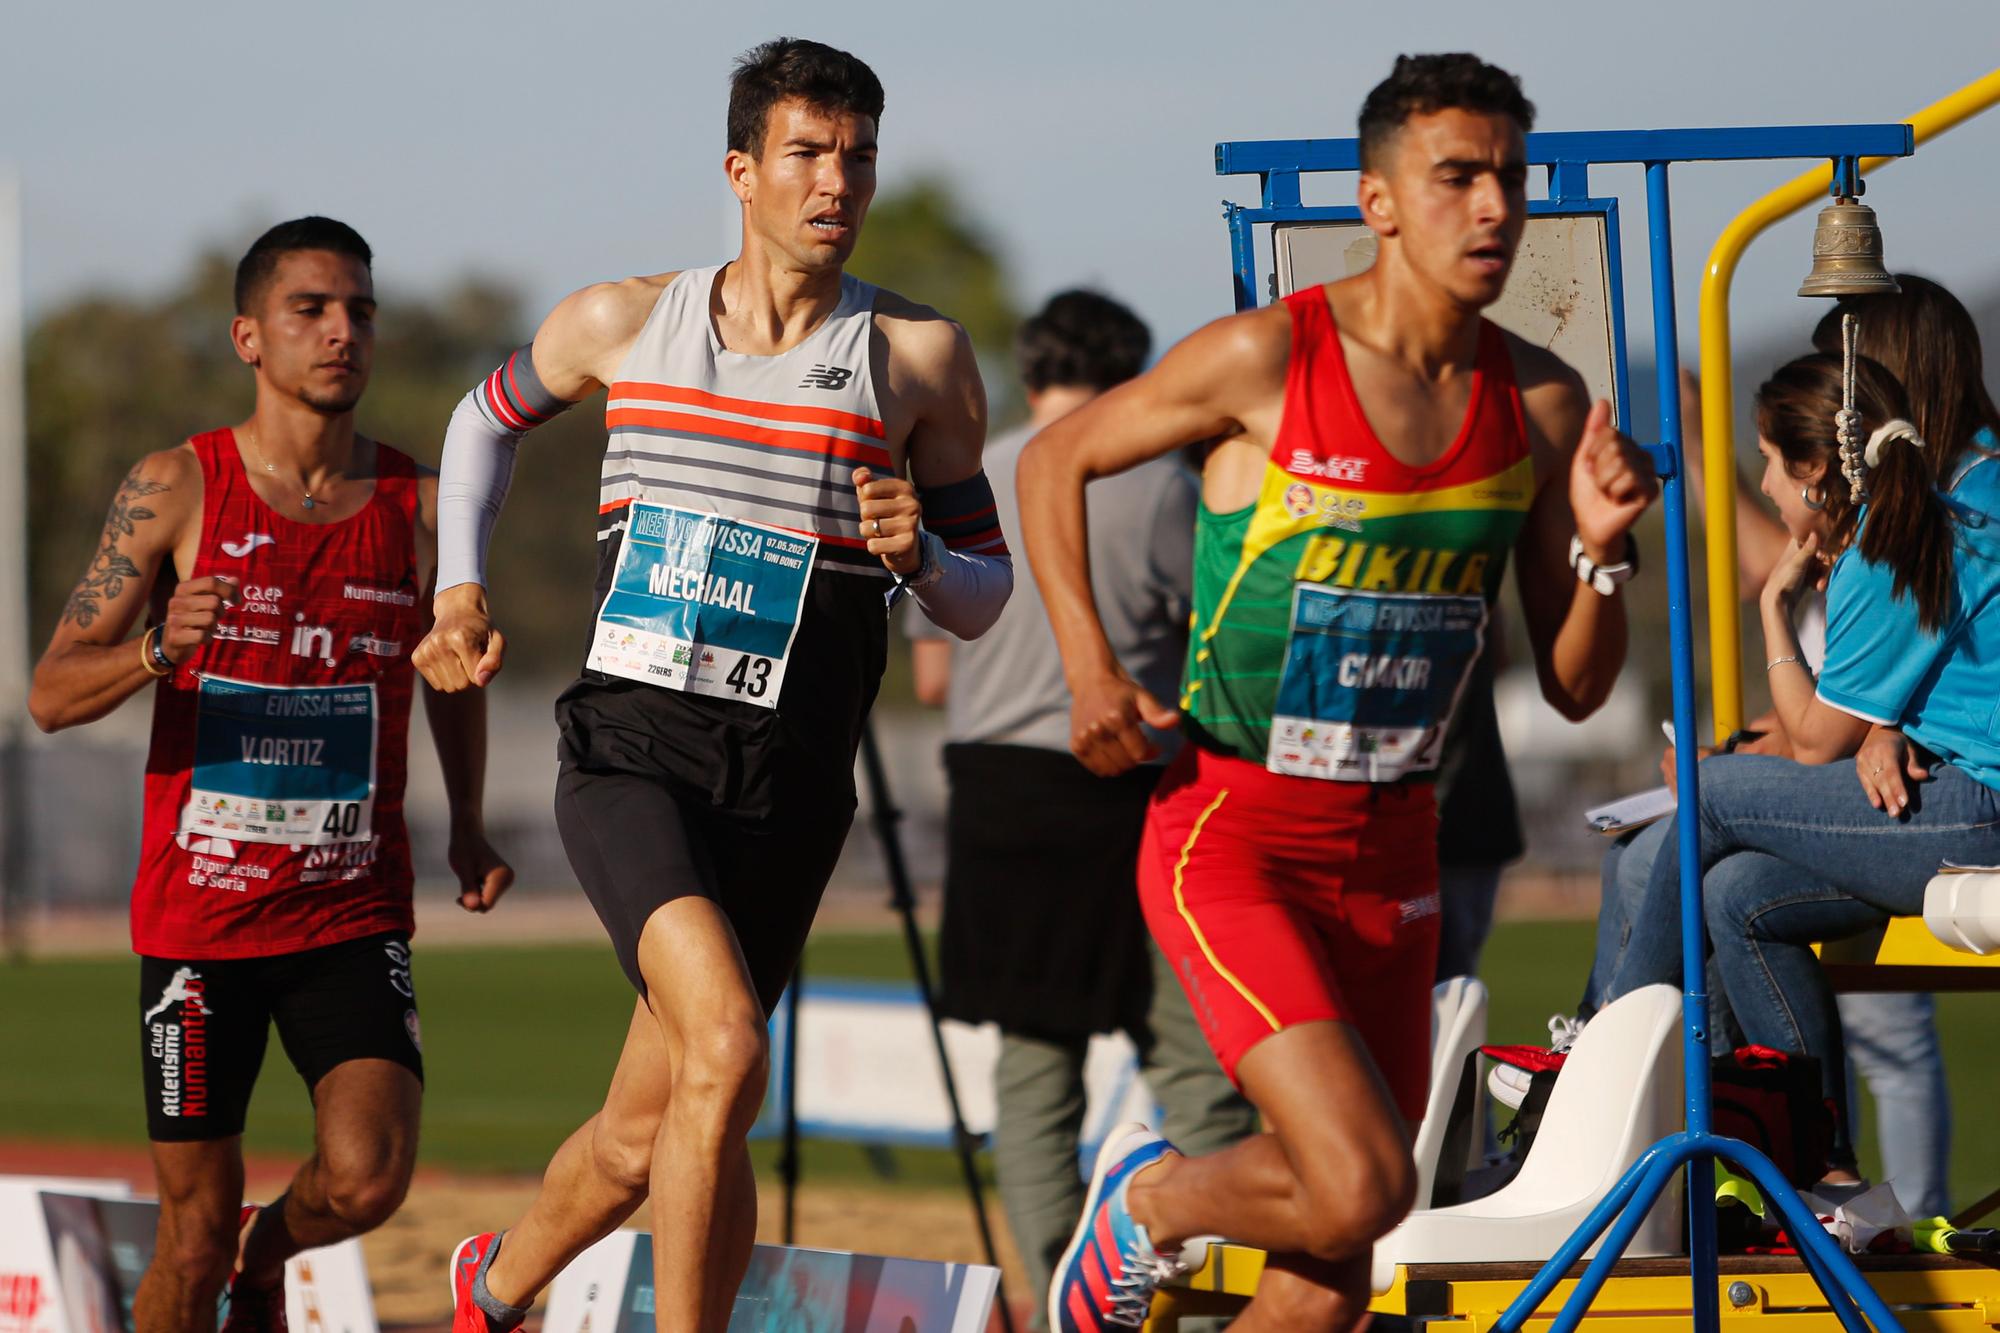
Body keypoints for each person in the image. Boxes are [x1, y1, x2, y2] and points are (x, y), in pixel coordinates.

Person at [1020, 54, 1657, 1332]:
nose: (1491, 209)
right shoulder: (1269, 355)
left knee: (1326, 1279)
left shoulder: (1537, 401)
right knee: (1362, 1180)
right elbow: (1053, 458)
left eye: (1509, 180)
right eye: (1455, 178)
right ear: (1376, 201)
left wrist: (1598, 544)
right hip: (1231, 832)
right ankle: (1150, 1201)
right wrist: (1088, 665)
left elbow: (1580, 687)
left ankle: (1164, 1206)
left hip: (1395, 850)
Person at [416, 38, 1012, 1333]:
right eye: (805, 153)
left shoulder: (916, 362)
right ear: (741, 171)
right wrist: (458, 587)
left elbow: (986, 592)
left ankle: (493, 1291)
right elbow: (480, 425)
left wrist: (922, 559)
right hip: (635, 751)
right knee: (730, 1048)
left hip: (792, 782)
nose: (833, 182)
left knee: (655, 1128)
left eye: (856, 157)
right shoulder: (626, 321)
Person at [26, 216, 513, 1333]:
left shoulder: (421, 505)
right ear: (249, 336)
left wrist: (471, 822)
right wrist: (158, 649)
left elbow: (458, 671)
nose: (343, 331)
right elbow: (52, 693)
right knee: (185, 1238)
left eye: (361, 311)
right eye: (312, 309)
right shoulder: (174, 487)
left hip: (350, 906)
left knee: (367, 1176)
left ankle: (269, 1260)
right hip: (199, 924)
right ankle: (225, 1265)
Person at [908, 290, 1257, 1328]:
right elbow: (1217, 640)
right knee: (1190, 1051)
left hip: (994, 787)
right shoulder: (1157, 483)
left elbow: (931, 674)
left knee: (1033, 1061)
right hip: (1128, 783)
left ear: (1028, 372)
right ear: (1139, 380)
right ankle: (1178, 1287)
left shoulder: (964, 479)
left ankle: (1059, 1278)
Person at [1600, 352, 2000, 1188]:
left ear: (1818, 470)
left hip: (1974, 812)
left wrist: (1773, 608)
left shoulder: (1886, 551)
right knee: (1735, 894)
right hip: (1959, 797)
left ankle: (1609, 1065)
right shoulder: (1932, 524)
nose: (1771, 490)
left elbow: (1815, 738)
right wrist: (1885, 725)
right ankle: (1826, 1172)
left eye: (1772, 466)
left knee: (1710, 793)